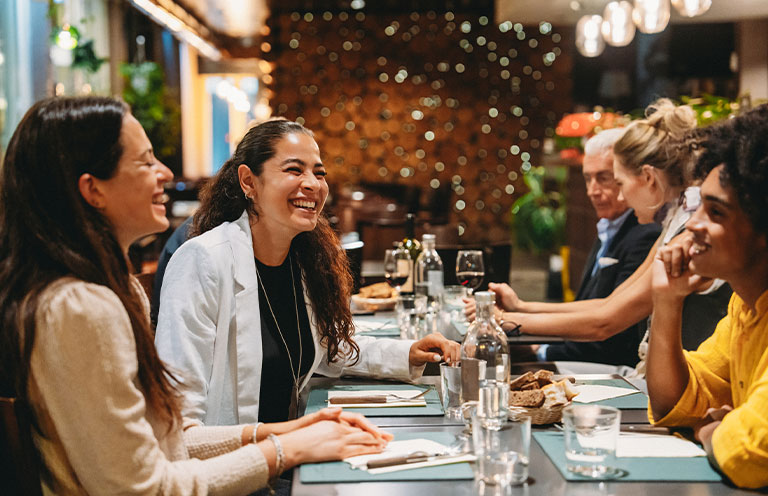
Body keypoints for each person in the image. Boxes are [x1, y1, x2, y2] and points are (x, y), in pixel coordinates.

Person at [0, 97, 392, 495]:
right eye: (146, 161)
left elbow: (172, 441)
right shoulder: (79, 308)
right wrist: (281, 449)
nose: (165, 172)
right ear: (93, 190)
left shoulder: (117, 290)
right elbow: (142, 488)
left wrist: (287, 431)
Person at [155, 119, 459, 425]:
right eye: (294, 170)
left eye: (319, 172)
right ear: (248, 181)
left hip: (289, 452)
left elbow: (328, 349)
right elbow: (179, 418)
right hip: (237, 462)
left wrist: (407, 353)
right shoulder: (202, 261)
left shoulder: (300, 259)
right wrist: (288, 444)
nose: (313, 184)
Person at [476, 99, 730, 373]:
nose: (620, 196)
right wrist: (519, 308)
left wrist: (502, 320)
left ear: (648, 177)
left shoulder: (687, 233)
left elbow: (605, 323)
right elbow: (608, 304)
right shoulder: (674, 224)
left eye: (618, 182)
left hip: (692, 382)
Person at [647, 105, 768, 489]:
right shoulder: (745, 308)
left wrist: (710, 430)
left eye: (715, 213)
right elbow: (675, 401)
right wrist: (667, 301)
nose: (693, 224)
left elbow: (749, 452)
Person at [536, 128, 661, 367]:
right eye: (587, 178)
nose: (592, 190)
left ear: (646, 177)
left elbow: (608, 326)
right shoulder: (609, 226)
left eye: (604, 178)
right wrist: (517, 313)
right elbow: (596, 308)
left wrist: (533, 342)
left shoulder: (647, 233)